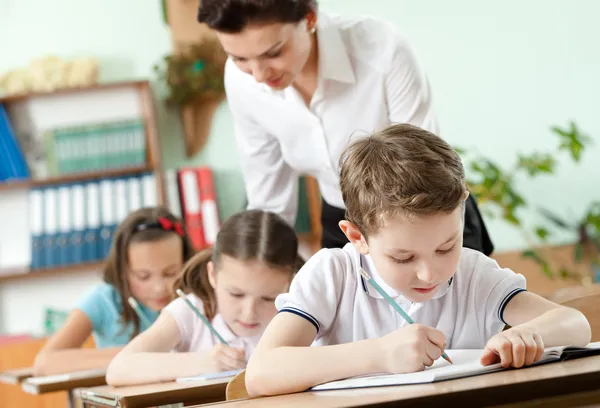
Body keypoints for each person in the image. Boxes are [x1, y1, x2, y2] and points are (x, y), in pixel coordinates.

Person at [244, 124, 592, 397]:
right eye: (403, 256)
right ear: (356, 237)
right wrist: (379, 355)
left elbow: (574, 323)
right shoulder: (332, 274)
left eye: (446, 247)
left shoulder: (474, 274)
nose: (430, 272)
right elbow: (261, 373)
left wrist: (528, 334)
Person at [197, 0, 493, 254]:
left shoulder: (382, 49)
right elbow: (269, 200)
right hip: (345, 221)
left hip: (427, 212)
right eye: (239, 58)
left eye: (273, 52)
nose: (258, 74)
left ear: (309, 19)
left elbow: (424, 168)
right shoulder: (241, 82)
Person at [106, 210, 304, 386]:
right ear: (212, 275)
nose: (249, 312)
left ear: (290, 283)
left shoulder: (301, 313)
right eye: (236, 294)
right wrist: (203, 362)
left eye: (268, 298)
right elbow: (119, 368)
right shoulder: (190, 311)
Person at [33, 207, 195, 376]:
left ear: (186, 262)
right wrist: (136, 354)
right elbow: (44, 363)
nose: (159, 288)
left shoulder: (196, 297)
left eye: (170, 273)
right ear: (123, 270)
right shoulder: (103, 300)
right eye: (143, 276)